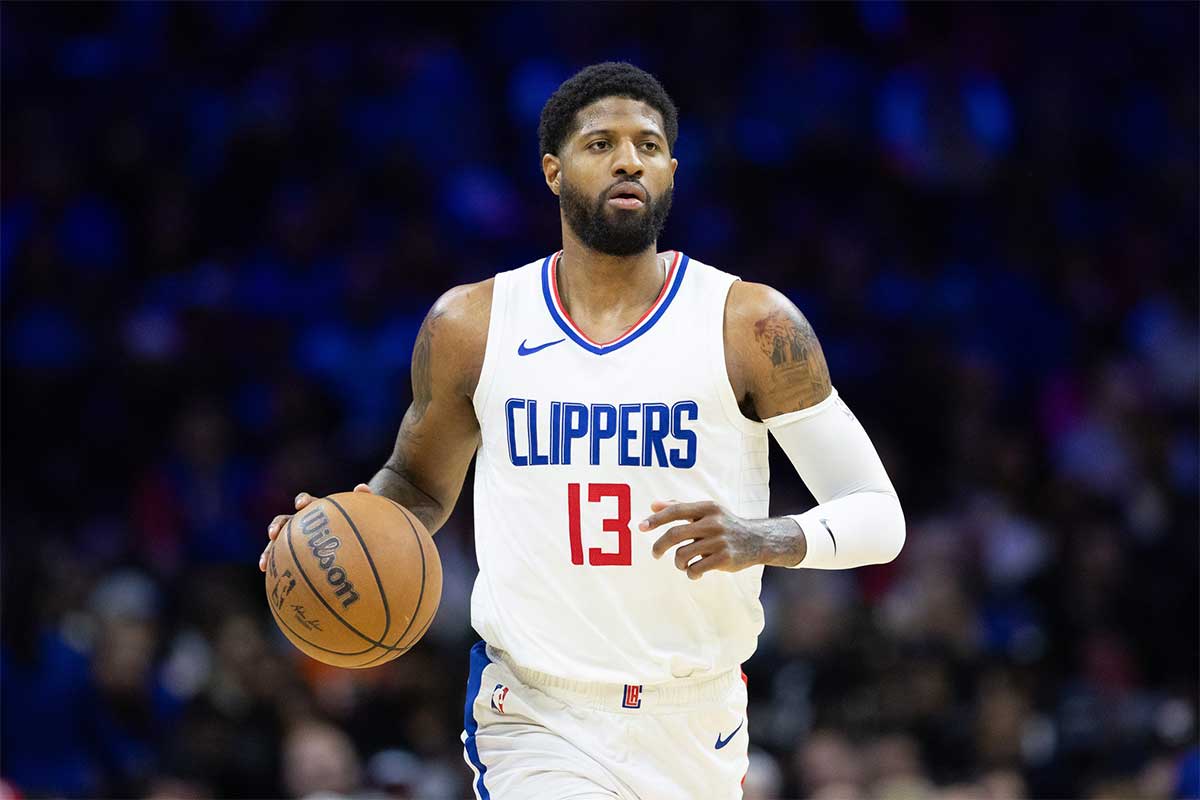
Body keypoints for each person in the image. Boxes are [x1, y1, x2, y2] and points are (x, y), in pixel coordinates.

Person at [259, 61, 905, 800]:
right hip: (536, 712)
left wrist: (763, 538)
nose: (629, 158)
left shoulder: (751, 324)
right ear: (552, 172)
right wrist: (342, 528)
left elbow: (878, 517)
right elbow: (413, 487)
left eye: (648, 145)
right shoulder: (473, 324)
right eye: (600, 143)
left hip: (697, 716)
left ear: (670, 171)